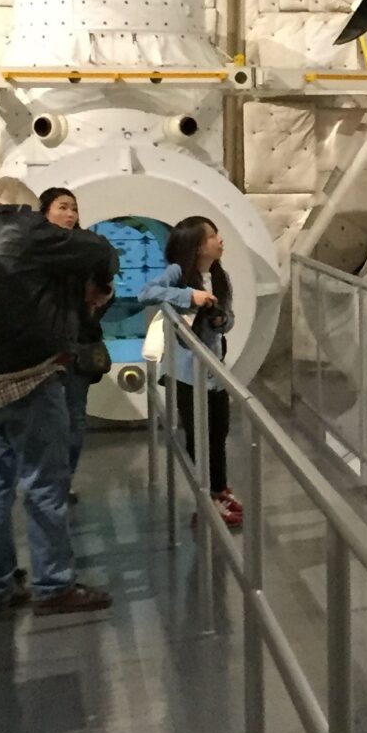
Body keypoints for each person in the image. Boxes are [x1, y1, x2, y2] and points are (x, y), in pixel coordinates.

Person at [0, 185, 119, 614]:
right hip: (31, 377)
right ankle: (54, 584)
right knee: (45, 484)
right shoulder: (23, 231)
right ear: (17, 206)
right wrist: (98, 281)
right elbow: (100, 250)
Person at [140, 216, 241, 527]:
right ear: (196, 245)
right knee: (199, 436)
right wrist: (189, 297)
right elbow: (146, 293)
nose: (219, 240)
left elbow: (229, 319)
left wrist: (221, 321)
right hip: (187, 373)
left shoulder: (220, 277)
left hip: (214, 371)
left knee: (219, 431)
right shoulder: (177, 273)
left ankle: (219, 489)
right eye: (212, 236)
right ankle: (206, 499)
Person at [38, 186, 109, 485]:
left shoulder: (87, 249)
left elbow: (103, 288)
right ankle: (46, 482)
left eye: (74, 209)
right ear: (44, 212)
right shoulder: (33, 249)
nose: (70, 214)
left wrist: (101, 297)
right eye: (62, 207)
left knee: (75, 417)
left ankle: (62, 481)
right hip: (41, 350)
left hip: (78, 346)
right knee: (45, 418)